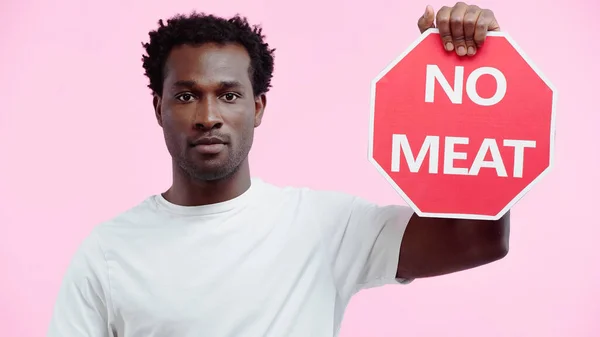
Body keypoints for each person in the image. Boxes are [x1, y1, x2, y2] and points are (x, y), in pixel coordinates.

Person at [47, 2, 509, 337]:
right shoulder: (108, 253)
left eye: (228, 94)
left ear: (258, 107)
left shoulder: (323, 226)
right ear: (158, 107)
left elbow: (478, 239)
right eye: (187, 95)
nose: (208, 115)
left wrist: (471, 78)